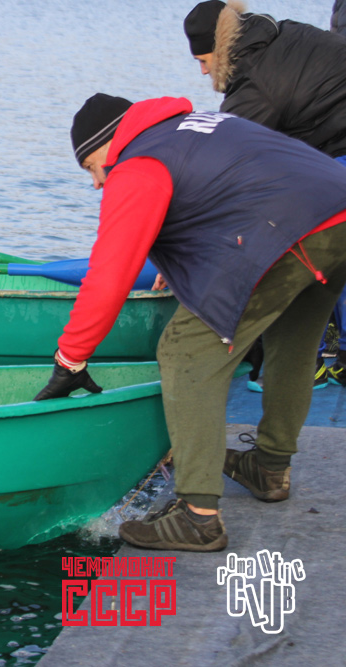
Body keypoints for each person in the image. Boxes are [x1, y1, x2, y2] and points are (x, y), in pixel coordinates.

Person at [34, 93, 346, 551]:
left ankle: (198, 518)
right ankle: (270, 468)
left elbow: (109, 275)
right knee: (293, 342)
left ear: (107, 144)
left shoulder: (136, 163)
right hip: (335, 212)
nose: (98, 183)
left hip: (288, 230)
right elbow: (227, 195)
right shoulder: (192, 126)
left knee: (185, 349)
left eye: (92, 168)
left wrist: (70, 358)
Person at [184, 0, 346, 388]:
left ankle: (313, 359)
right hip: (331, 145)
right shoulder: (277, 31)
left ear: (219, 49)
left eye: (203, 60)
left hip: (336, 155)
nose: (203, 71)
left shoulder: (254, 83)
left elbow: (224, 169)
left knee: (307, 244)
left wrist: (187, 245)